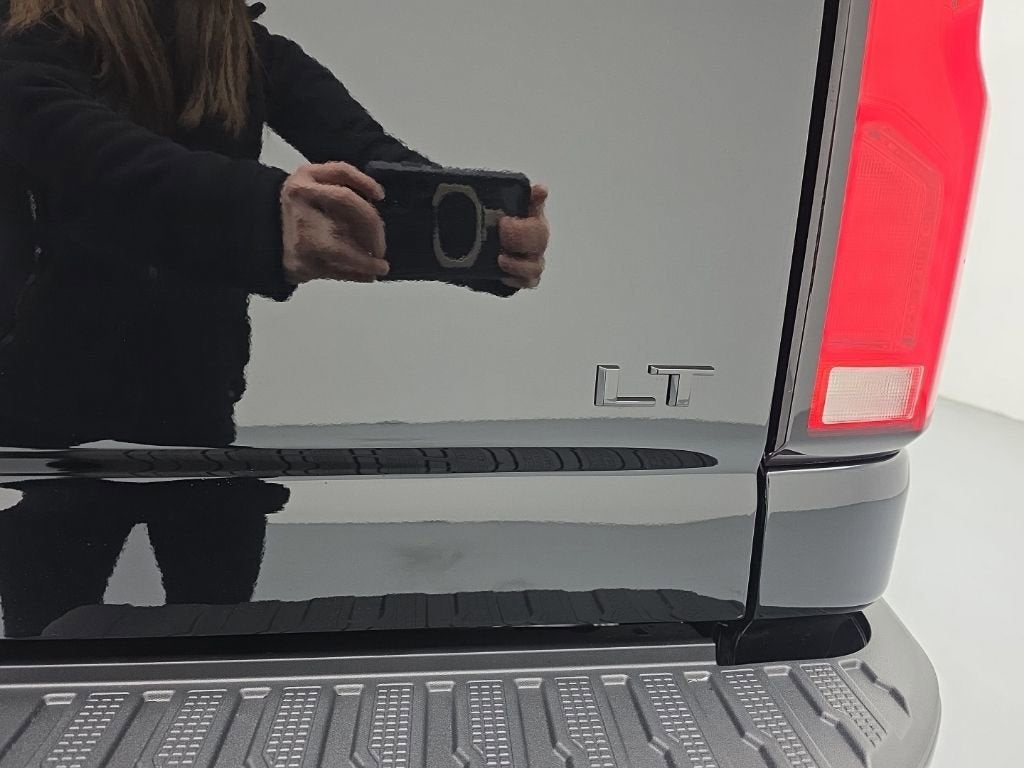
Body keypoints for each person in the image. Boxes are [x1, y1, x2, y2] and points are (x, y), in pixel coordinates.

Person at [0, 0, 550, 449]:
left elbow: (372, 160)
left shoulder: (250, 52)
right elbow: (89, 154)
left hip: (194, 401)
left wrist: (492, 239)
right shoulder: (21, 41)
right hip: (35, 406)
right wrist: (264, 214)